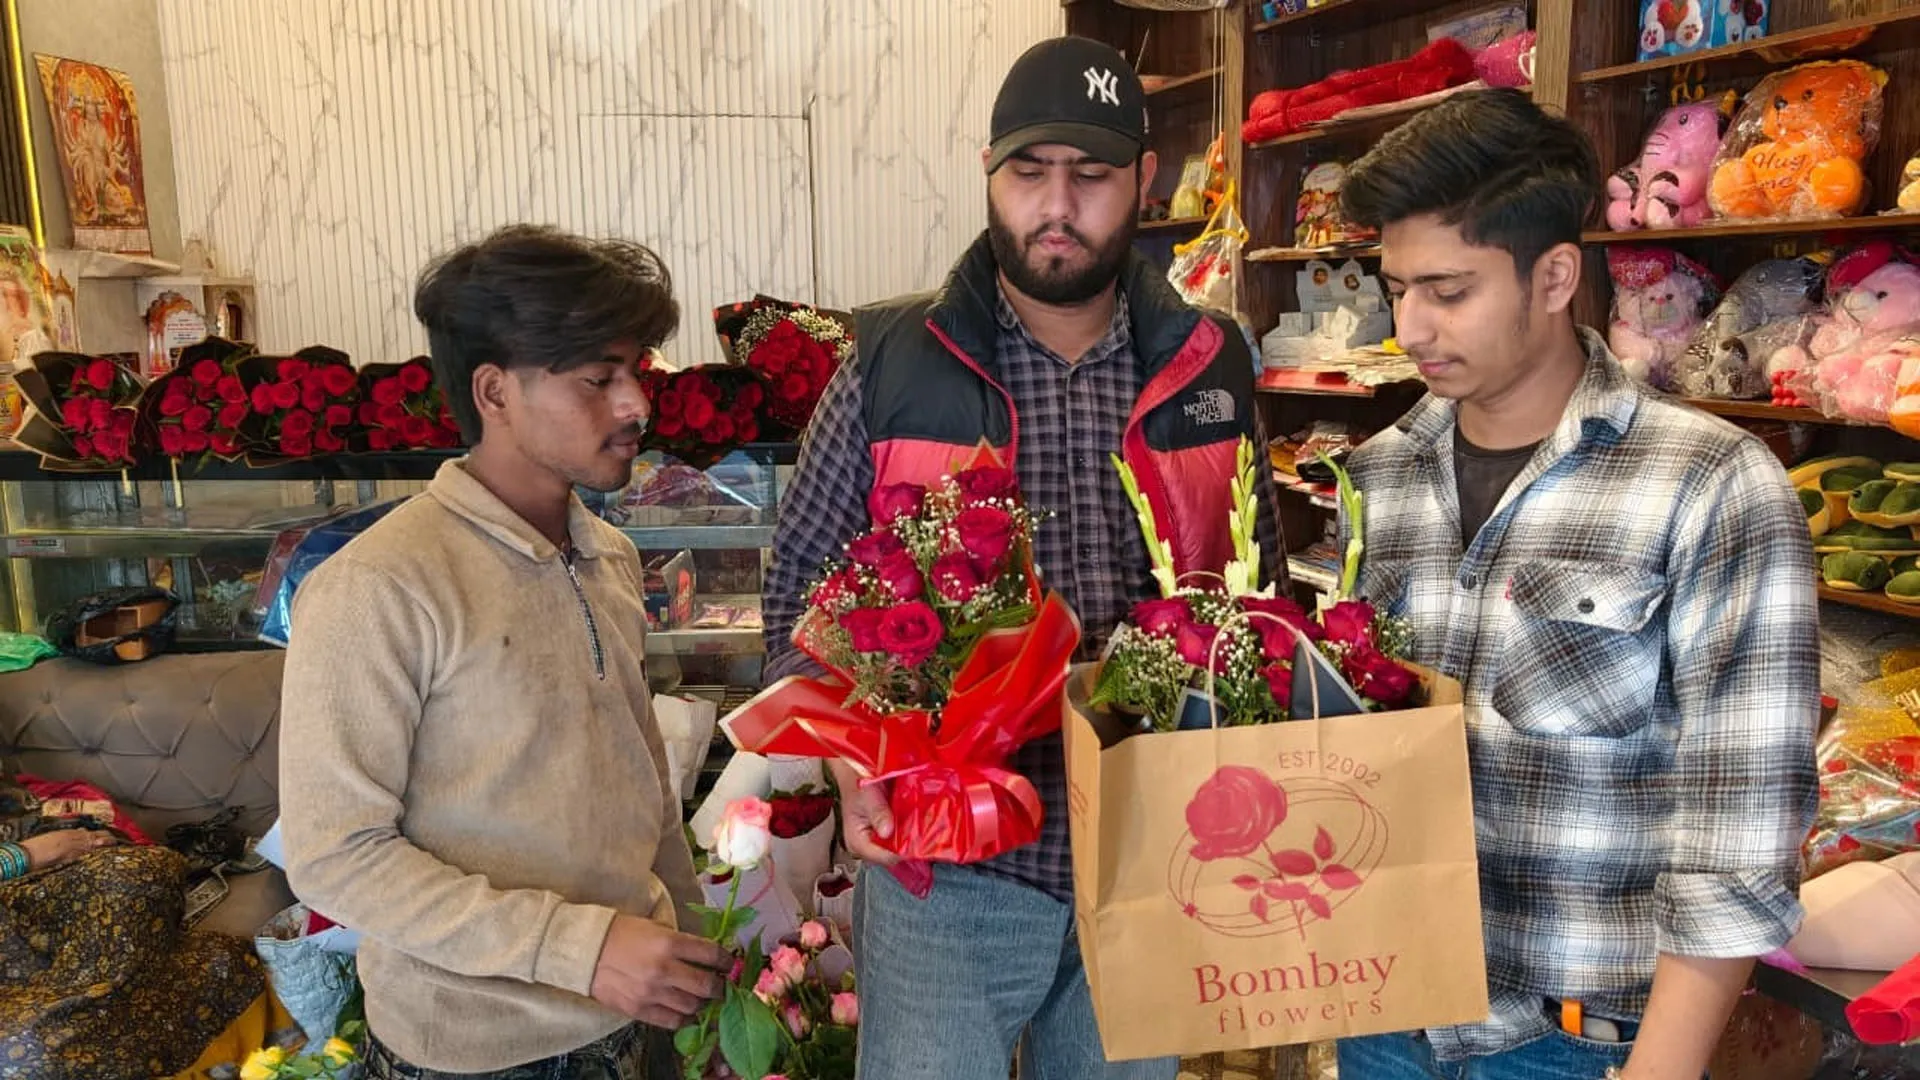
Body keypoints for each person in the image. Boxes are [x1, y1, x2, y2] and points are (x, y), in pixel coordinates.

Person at [761, 35, 1283, 1080]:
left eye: (1090, 175)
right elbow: (799, 606)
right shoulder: (891, 362)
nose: (1058, 205)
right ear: (989, 176)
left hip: (1148, 853)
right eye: (1028, 173)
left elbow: (1252, 589)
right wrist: (846, 760)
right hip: (948, 868)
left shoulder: (1209, 361)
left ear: (1142, 179)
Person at [1332, 89, 1818, 1080]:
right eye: (1396, 287)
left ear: (1554, 276)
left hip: (1578, 1043)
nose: (1412, 324)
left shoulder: (1710, 485)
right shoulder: (1377, 478)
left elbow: (1741, 824)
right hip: (1389, 1016)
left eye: (1449, 290)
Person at [278, 225, 725, 1080]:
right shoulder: (381, 585)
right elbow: (335, 856)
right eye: (599, 378)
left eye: (638, 371)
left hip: (639, 1024)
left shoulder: (610, 557)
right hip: (477, 1052)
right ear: (494, 391)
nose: (636, 404)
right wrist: (581, 950)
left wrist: (697, 956)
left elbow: (644, 791)